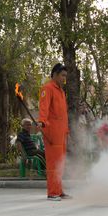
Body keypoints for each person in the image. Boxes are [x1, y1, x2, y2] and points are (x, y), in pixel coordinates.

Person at [38, 63, 70, 201]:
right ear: (55, 74)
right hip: (52, 131)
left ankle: (59, 190)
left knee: (60, 162)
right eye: (62, 75)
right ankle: (52, 192)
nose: (64, 78)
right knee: (53, 163)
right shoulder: (47, 88)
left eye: (65, 76)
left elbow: (63, 114)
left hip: (61, 132)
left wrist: (66, 130)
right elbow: (44, 107)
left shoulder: (61, 91)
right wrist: (42, 121)